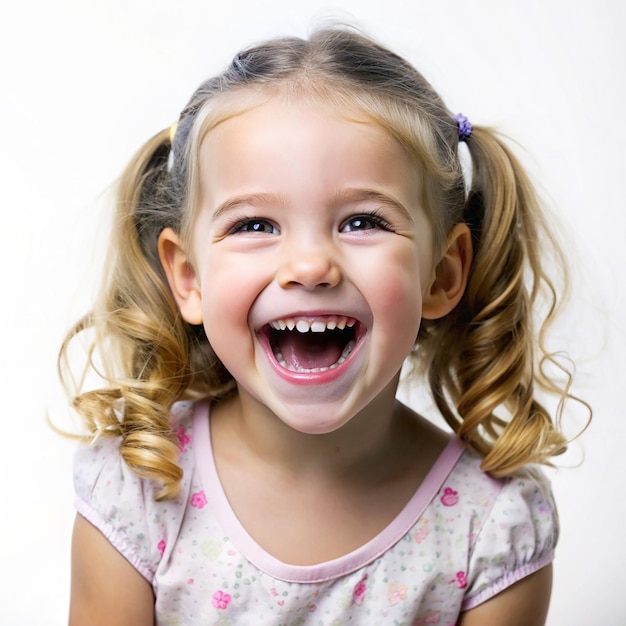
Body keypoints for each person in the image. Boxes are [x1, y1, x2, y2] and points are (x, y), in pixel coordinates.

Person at [61, 26, 584, 625]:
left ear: (441, 275)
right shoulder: (140, 490)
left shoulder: (491, 527)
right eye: (255, 225)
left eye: (363, 221)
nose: (309, 265)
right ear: (189, 279)